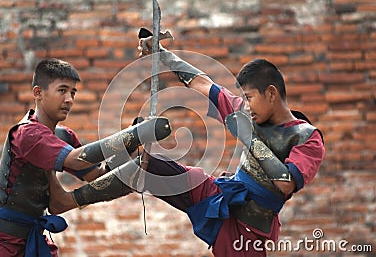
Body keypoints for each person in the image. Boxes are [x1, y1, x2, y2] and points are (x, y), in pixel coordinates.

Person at [134, 33, 325, 256]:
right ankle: (104, 166)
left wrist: (249, 138)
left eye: (250, 97)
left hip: (249, 230)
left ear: (271, 93)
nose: (246, 104)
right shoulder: (247, 113)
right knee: (156, 167)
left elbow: (286, 184)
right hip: (221, 194)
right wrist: (162, 54)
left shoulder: (307, 138)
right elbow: (203, 84)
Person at [0, 58, 171, 257]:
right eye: (62, 90)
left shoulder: (63, 136)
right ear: (38, 93)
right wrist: (136, 134)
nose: (69, 99)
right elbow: (78, 159)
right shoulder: (27, 134)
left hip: (32, 240)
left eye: (73, 92)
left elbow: (95, 174)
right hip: (0, 244)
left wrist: (131, 147)